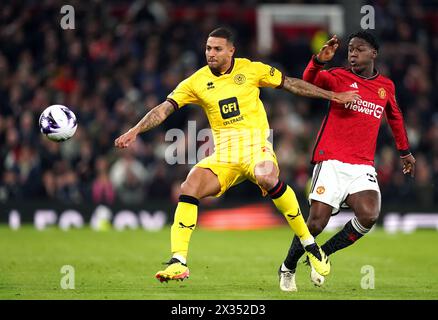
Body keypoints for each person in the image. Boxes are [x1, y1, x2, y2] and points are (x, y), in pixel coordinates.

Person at [114, 27, 359, 283]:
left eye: (217, 48)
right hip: (225, 156)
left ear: (231, 50)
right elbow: (164, 109)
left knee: (266, 176)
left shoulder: (252, 69)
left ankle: (310, 246)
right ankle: (178, 262)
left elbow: (291, 84)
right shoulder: (196, 82)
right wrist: (135, 130)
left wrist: (334, 96)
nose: (211, 53)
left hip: (256, 148)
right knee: (190, 184)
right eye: (208, 48)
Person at [278, 31, 416, 292]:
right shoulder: (339, 77)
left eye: (359, 49)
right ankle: (288, 267)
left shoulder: (385, 86)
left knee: (369, 214)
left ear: (373, 53)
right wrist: (319, 60)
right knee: (316, 223)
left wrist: (404, 151)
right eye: (350, 50)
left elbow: (395, 117)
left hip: (362, 164)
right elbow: (309, 81)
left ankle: (324, 253)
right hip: (331, 160)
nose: (352, 54)